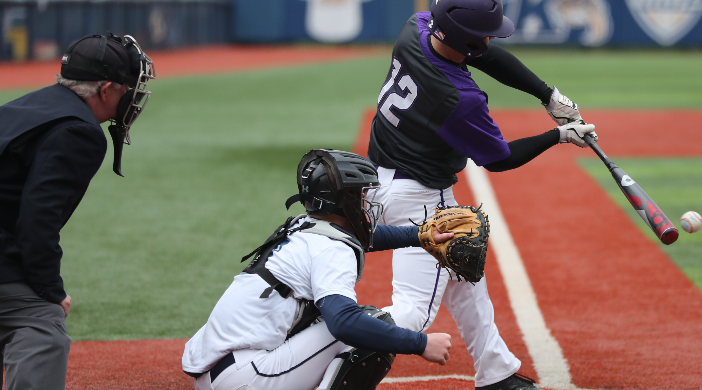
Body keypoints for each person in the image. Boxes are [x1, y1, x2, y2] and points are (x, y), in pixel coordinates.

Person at [366, 1, 598, 389]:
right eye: (484, 35)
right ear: (465, 42)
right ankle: (323, 341)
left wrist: (547, 95)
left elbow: (482, 53)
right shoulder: (459, 99)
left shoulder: (416, 29)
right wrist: (558, 135)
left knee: (464, 272)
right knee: (412, 315)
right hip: (421, 198)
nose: (491, 39)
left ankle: (497, 373)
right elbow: (499, 160)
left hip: (378, 180)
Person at [182, 149, 454, 390]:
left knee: (337, 319)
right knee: (369, 323)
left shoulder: (303, 226)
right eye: (361, 195)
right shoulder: (331, 250)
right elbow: (344, 323)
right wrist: (421, 344)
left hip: (217, 369)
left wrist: (421, 235)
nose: (366, 203)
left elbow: (366, 237)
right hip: (245, 377)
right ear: (342, 202)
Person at [0, 33, 154, 390]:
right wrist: (50, 290)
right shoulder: (78, 131)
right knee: (41, 326)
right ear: (106, 90)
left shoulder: (33, 105)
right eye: (128, 87)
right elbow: (38, 222)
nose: (134, 95)